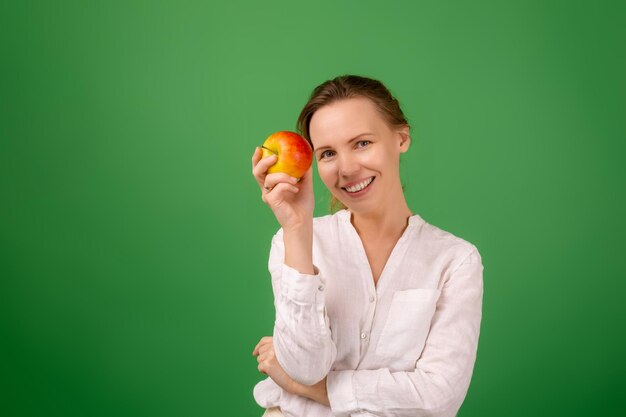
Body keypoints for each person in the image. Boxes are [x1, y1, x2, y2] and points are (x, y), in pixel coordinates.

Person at [250, 75, 484, 417]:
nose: (346, 168)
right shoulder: (294, 242)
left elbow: (437, 398)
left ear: (401, 138)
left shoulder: (455, 261)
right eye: (328, 153)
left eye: (361, 143)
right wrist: (297, 228)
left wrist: (305, 388)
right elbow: (305, 366)